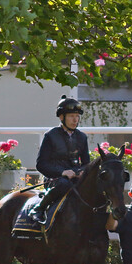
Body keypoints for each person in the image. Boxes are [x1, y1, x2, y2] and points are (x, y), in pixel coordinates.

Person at [29, 95, 90, 224]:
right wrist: (62, 172)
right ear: (62, 117)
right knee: (64, 184)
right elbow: (41, 164)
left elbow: (86, 163)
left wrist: (82, 171)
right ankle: (39, 209)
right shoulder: (50, 135)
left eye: (77, 116)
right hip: (55, 179)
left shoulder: (82, 137)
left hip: (75, 178)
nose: (75, 120)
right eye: (71, 116)